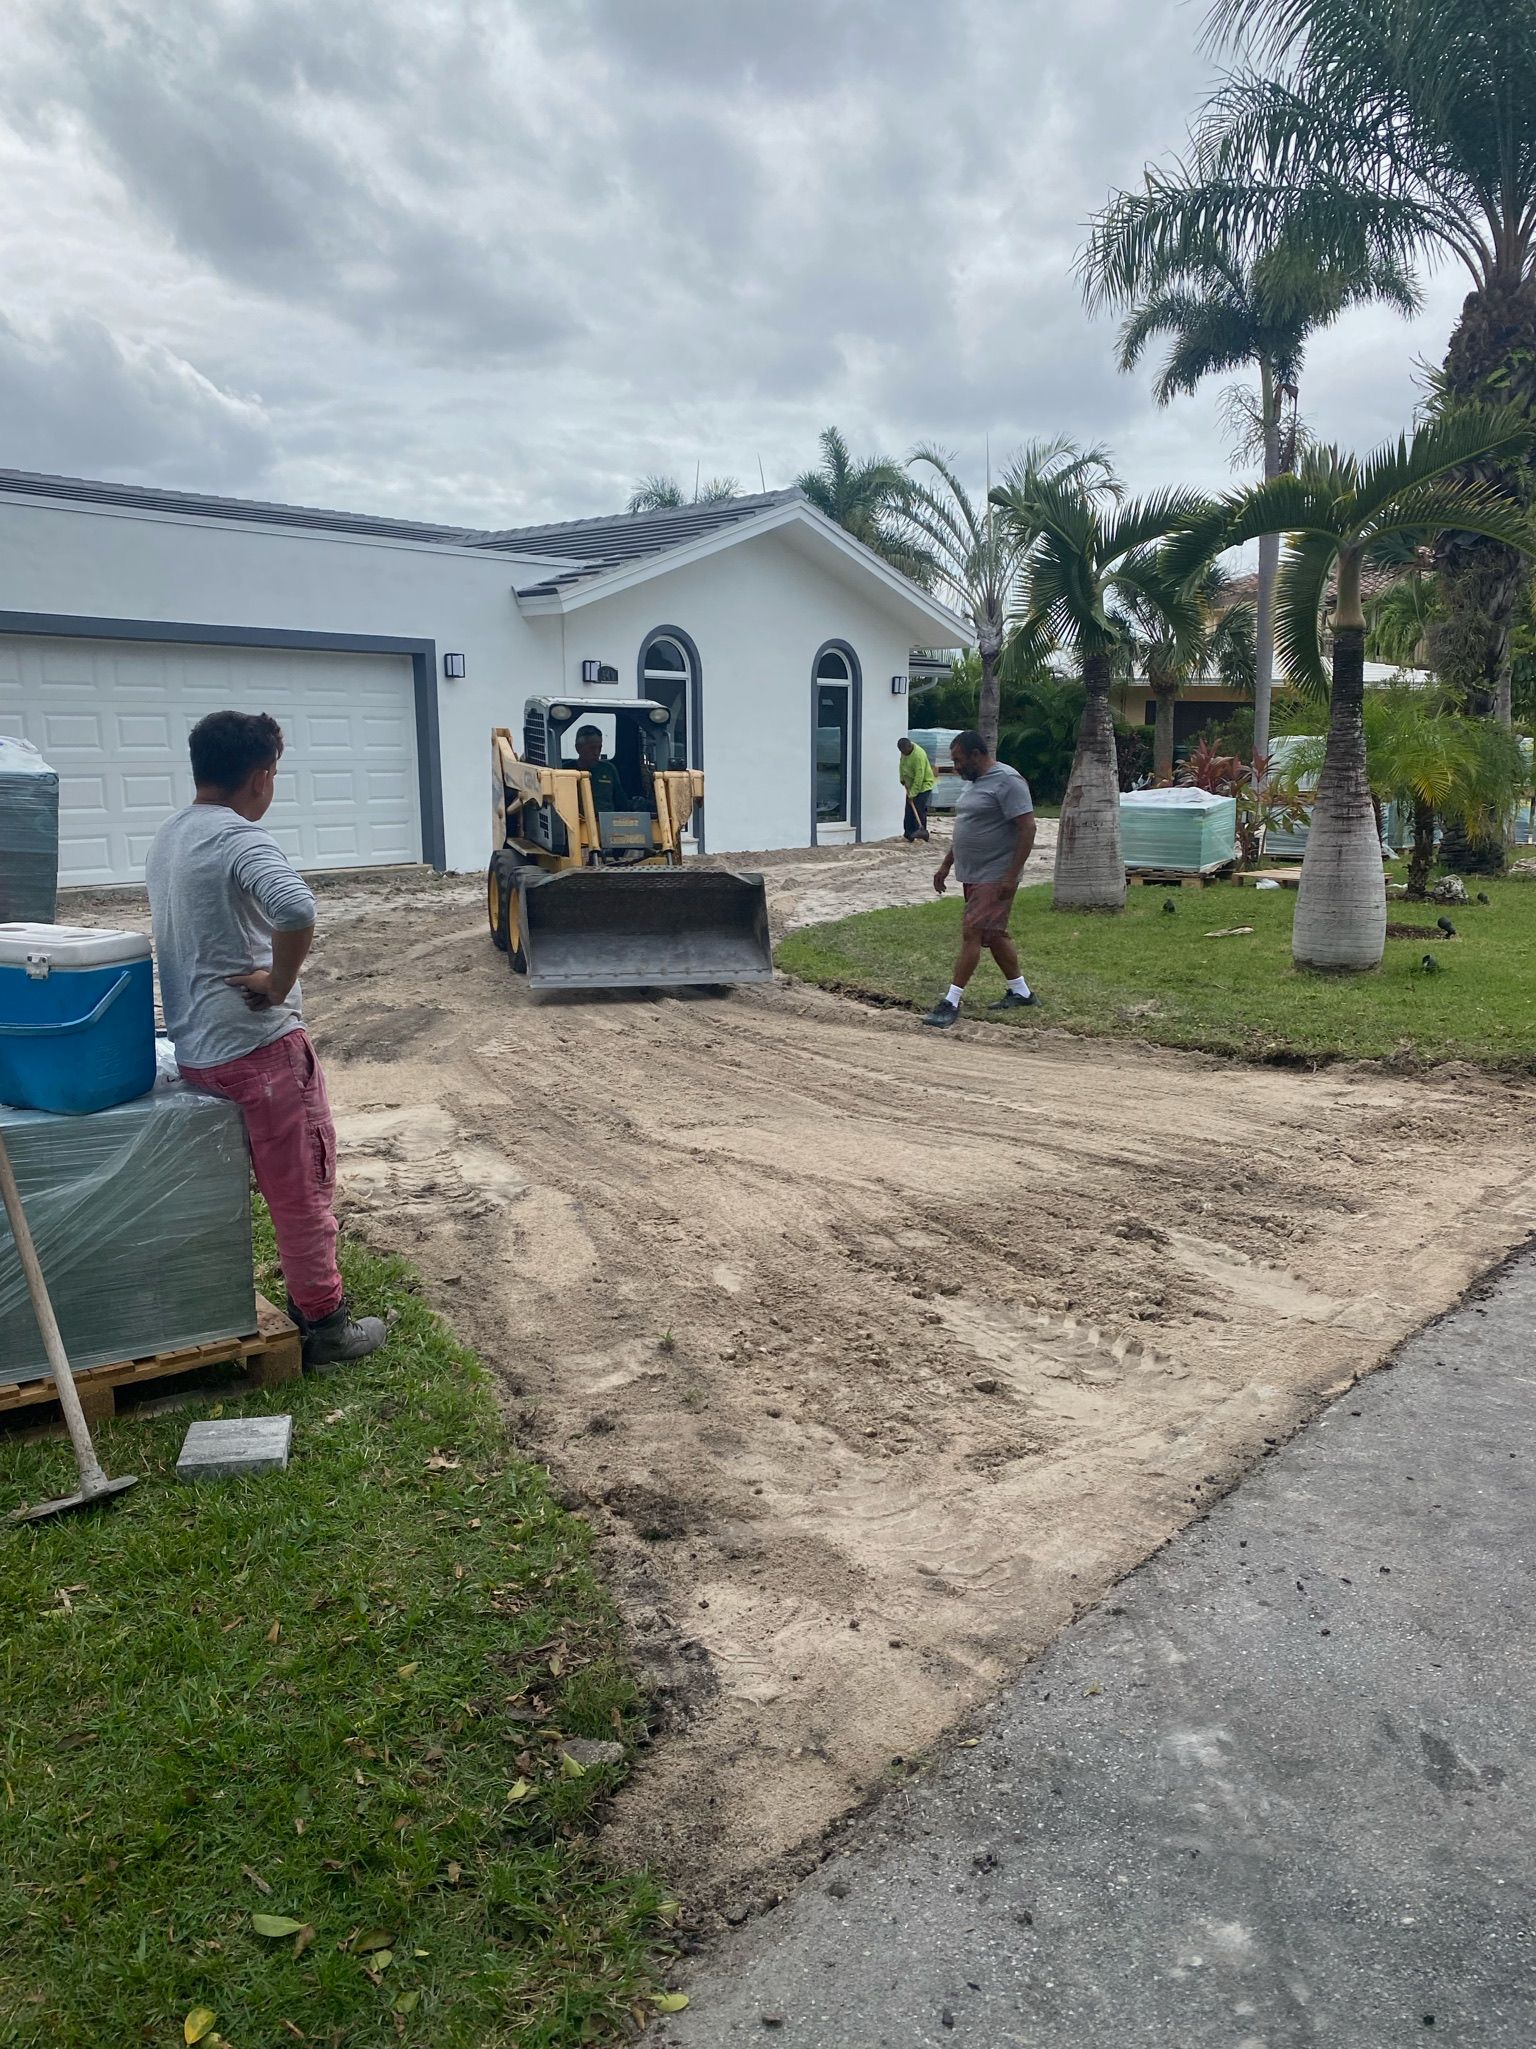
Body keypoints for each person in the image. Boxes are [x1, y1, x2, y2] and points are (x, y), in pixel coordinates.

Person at [145, 710, 385, 1367]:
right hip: (262, 1051)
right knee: (300, 1187)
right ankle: (326, 1326)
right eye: (275, 773)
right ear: (259, 776)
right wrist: (279, 982)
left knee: (237, 1196)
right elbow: (296, 906)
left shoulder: (169, 838)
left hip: (199, 1053)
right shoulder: (237, 840)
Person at [922, 730, 1037, 1028]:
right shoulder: (974, 784)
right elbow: (967, 828)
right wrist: (946, 865)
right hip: (973, 873)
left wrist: (1011, 876)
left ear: (976, 754)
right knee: (992, 934)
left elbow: (1027, 829)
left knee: (972, 932)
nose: (956, 767)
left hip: (996, 875)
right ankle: (1021, 992)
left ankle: (950, 1002)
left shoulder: (1008, 781)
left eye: (959, 760)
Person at [574, 724, 633, 810]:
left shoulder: (608, 769)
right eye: (592, 748)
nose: (596, 752)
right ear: (578, 748)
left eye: (599, 747)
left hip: (606, 821)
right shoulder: (566, 770)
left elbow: (621, 801)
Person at [897, 735, 935, 842]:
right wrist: (902, 778)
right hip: (910, 785)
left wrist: (913, 794)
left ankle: (921, 832)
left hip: (923, 785)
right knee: (908, 810)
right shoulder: (904, 752)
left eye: (904, 750)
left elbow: (919, 777)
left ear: (909, 747)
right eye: (901, 751)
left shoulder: (919, 756)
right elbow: (902, 764)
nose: (903, 753)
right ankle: (908, 834)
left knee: (918, 808)